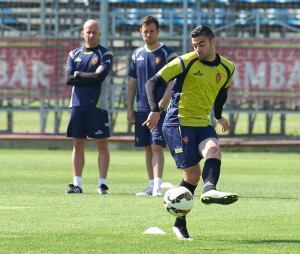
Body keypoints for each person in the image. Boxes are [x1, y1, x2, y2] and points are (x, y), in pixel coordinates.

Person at [143, 25, 238, 240]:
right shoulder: (185, 62)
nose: (197, 49)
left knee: (213, 149)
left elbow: (222, 91)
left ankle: (210, 190)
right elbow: (153, 82)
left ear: (213, 42)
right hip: (178, 123)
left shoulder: (227, 68)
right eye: (194, 45)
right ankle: (179, 221)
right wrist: (154, 110)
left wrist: (219, 115)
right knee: (192, 174)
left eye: (201, 44)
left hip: (202, 122)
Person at [127, 16, 177, 197]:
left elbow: (173, 81)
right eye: (145, 31)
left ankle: (157, 186)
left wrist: (164, 102)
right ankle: (151, 186)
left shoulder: (167, 53)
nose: (148, 34)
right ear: (141, 32)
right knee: (147, 147)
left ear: (158, 31)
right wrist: (129, 107)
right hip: (141, 108)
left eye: (151, 31)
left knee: (157, 146)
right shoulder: (136, 55)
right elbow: (132, 82)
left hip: (159, 108)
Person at [65, 19, 113, 195]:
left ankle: (102, 183)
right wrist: (86, 76)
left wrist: (78, 74)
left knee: (101, 143)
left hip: (98, 106)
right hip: (77, 104)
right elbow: (68, 79)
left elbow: (99, 78)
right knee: (78, 144)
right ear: (82, 33)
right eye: (88, 31)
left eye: (94, 32)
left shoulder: (105, 54)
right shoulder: (74, 54)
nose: (91, 35)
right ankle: (77, 183)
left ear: (99, 33)